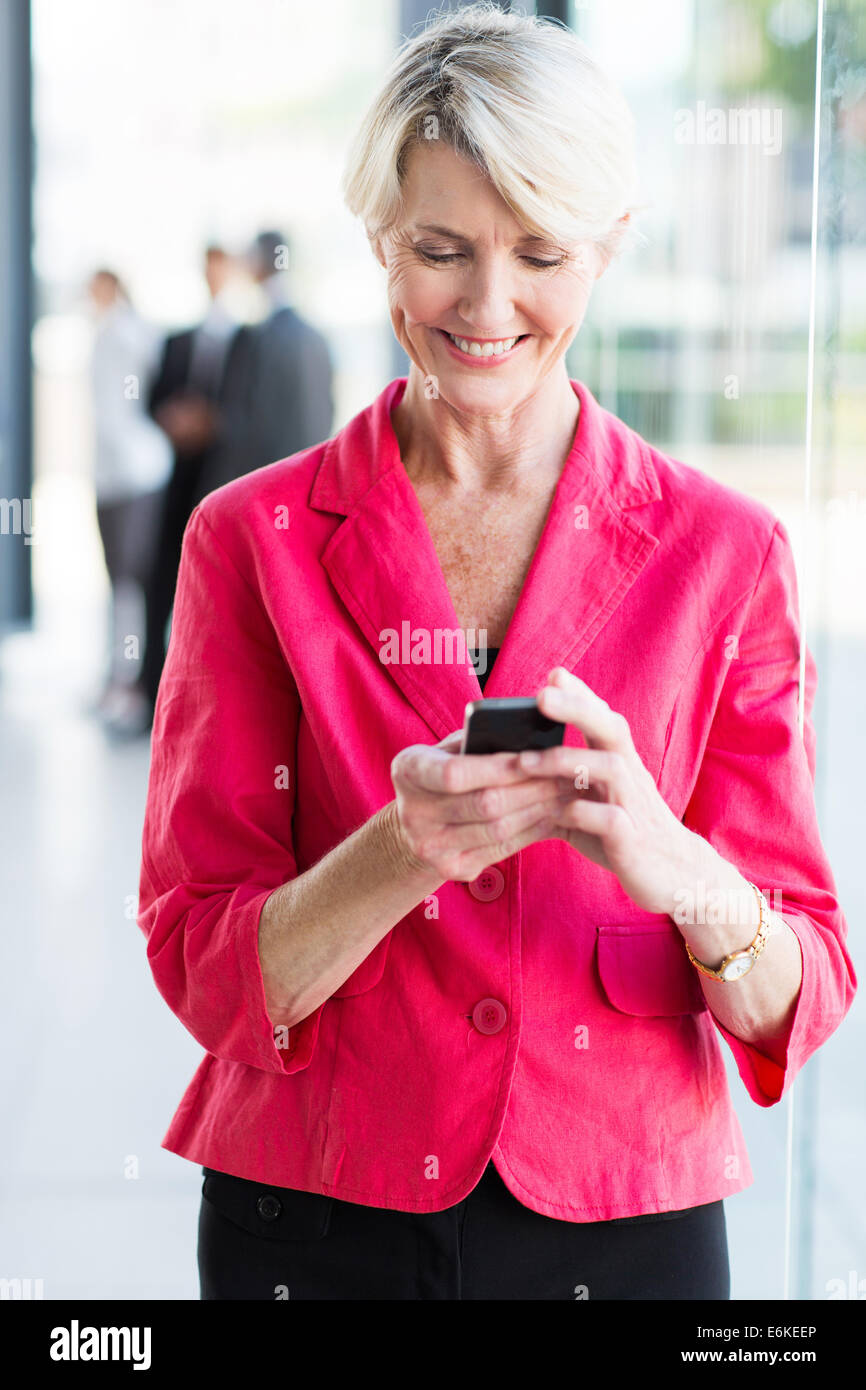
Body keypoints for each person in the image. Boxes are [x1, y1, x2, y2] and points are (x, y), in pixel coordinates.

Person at [136, 3, 856, 1301]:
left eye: (539, 251)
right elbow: (201, 960)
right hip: (311, 1212)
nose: (486, 304)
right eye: (441, 249)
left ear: (608, 249)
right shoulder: (249, 541)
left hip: (622, 1215)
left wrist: (674, 863)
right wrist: (398, 848)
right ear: (377, 240)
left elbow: (794, 998)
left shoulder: (726, 552)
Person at [135, 245, 249, 720]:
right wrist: (173, 420)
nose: (212, 275)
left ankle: (211, 699)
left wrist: (214, 423)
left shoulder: (248, 340)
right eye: (207, 266)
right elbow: (152, 399)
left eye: (220, 266)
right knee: (160, 577)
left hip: (225, 477)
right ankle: (149, 690)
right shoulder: (177, 339)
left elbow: (249, 409)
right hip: (180, 476)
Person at [87, 269, 172, 736]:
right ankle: (117, 675)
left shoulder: (128, 333)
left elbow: (132, 405)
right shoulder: (106, 332)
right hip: (111, 476)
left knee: (130, 582)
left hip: (134, 475)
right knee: (117, 582)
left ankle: (130, 682)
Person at [195, 229, 334, 496]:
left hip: (265, 489)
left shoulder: (253, 339)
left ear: (256, 263)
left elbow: (241, 426)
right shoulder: (316, 338)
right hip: (309, 486)